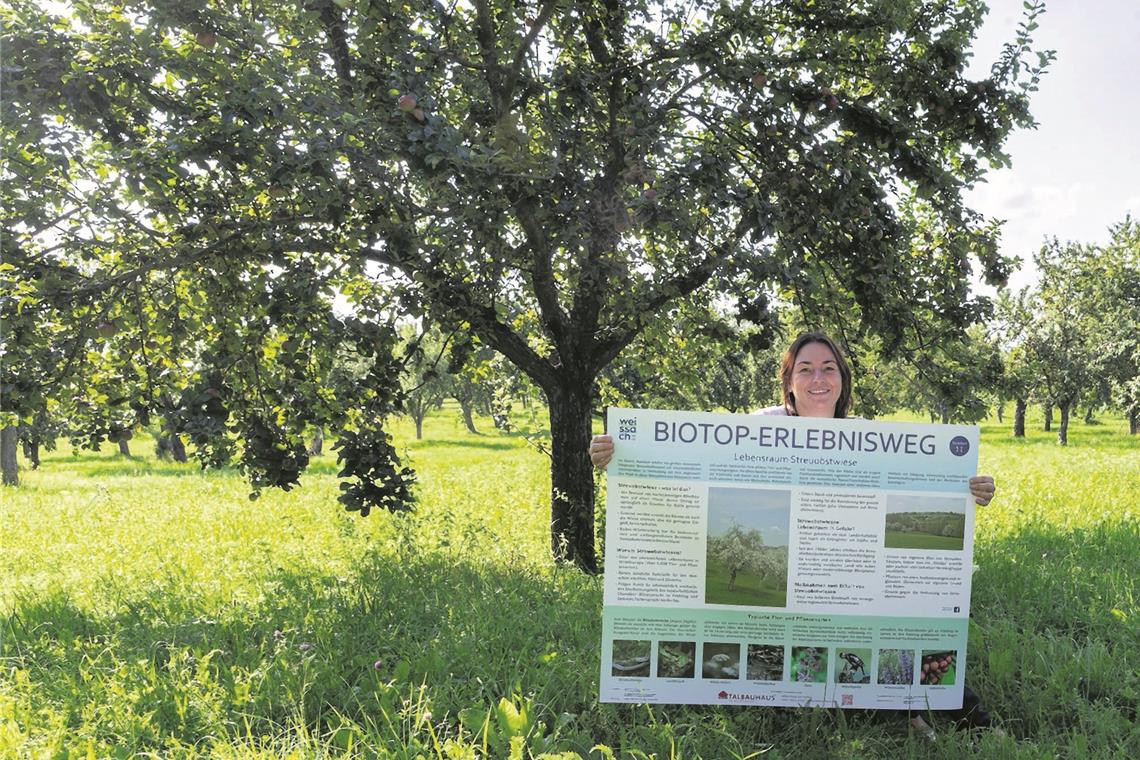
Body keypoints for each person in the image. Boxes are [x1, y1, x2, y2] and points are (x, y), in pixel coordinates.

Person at [588, 330, 998, 738]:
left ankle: (965, 719)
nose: (818, 378)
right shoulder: (760, 427)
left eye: (828, 368)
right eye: (805, 369)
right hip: (794, 599)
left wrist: (966, 490)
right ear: (789, 382)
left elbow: (924, 483)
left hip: (844, 580)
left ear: (842, 380)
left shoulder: (868, 437)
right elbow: (694, 464)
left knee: (911, 628)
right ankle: (903, 714)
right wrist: (622, 456)